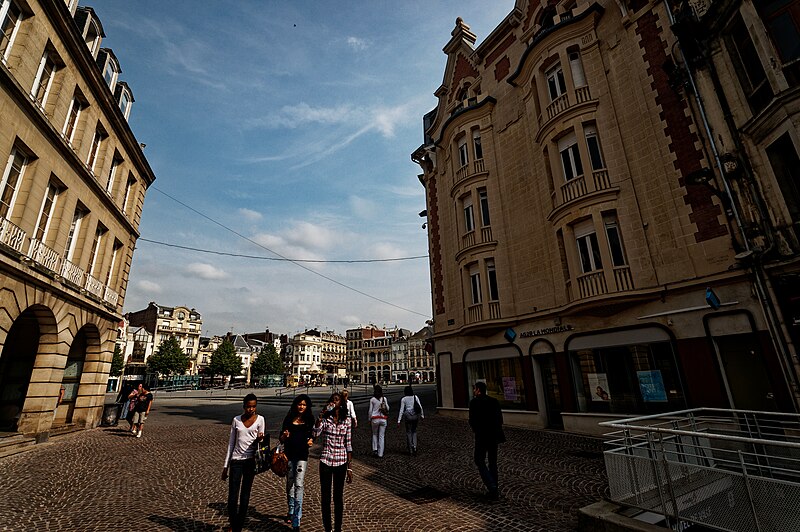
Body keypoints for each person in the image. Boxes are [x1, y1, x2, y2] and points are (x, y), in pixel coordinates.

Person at [222, 393, 265, 532]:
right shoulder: (236, 420)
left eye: (253, 407)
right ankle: (233, 522)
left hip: (250, 461)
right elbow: (231, 443)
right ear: (244, 406)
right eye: (248, 407)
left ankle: (238, 526)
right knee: (232, 496)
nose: (251, 409)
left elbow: (262, 444)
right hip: (236, 460)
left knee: (245, 494)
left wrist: (260, 439)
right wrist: (225, 466)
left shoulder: (260, 420)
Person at [312, 392, 352, 532]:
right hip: (326, 460)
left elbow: (348, 444)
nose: (334, 402)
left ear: (341, 403)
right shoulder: (325, 419)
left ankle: (338, 529)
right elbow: (315, 434)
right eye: (332, 400)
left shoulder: (346, 420)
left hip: (341, 461)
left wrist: (350, 467)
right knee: (325, 497)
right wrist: (321, 415)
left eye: (337, 400)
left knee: (338, 497)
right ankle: (327, 528)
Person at [280, 394, 315, 532]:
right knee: (290, 484)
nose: (301, 407)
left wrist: (311, 441)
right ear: (296, 405)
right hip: (289, 455)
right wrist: (284, 436)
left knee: (299, 485)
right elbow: (281, 437)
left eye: (304, 404)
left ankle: (297, 518)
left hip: (302, 455)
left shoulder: (309, 419)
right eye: (299, 404)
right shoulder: (289, 419)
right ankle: (290, 508)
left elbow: (312, 435)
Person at [469, 381, 505, 501]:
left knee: (479, 459)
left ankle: (492, 486)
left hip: (482, 436)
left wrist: (477, 429)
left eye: (475, 389)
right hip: (494, 436)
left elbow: (472, 421)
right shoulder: (494, 401)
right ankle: (494, 489)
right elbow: (500, 419)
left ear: (478, 390)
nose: (474, 391)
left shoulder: (474, 402)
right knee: (492, 462)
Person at [397, 385, 424, 456]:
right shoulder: (415, 397)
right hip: (415, 416)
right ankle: (414, 446)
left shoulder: (403, 399)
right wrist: (422, 415)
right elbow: (420, 407)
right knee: (414, 431)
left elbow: (401, 410)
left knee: (408, 432)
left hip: (408, 416)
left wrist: (399, 420)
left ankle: (410, 449)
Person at [368, 385, 389, 458]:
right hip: (383, 419)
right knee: (381, 436)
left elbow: (370, 411)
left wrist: (369, 419)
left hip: (375, 419)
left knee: (374, 434)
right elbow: (388, 408)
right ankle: (381, 454)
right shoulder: (384, 398)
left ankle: (375, 449)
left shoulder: (372, 399)